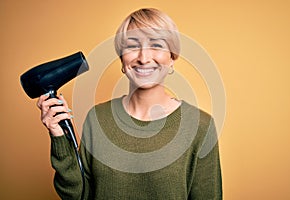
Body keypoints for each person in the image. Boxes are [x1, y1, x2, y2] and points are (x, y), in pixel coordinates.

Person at [37, 8, 222, 200]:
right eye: (133, 46)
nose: (143, 58)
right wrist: (59, 137)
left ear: (172, 57)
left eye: (156, 45)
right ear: (122, 60)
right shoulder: (98, 118)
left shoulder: (200, 126)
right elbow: (78, 195)